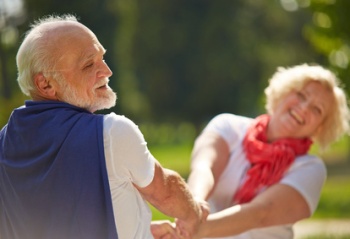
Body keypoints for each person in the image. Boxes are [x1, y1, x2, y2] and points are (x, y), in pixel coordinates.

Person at [0, 14, 208, 239]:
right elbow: (165, 193)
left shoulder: (4, 143)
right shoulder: (111, 133)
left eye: (102, 58)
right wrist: (194, 213)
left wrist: (140, 228)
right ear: (46, 84)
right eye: (89, 64)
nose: (107, 71)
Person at [182, 63, 350, 239]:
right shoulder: (227, 126)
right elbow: (204, 167)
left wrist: (191, 230)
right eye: (301, 95)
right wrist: (194, 206)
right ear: (283, 91)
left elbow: (260, 213)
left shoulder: (310, 168)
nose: (304, 108)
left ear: (320, 128)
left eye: (317, 109)